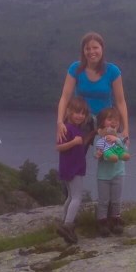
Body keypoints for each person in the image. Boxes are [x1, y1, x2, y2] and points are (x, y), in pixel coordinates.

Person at [56, 32, 129, 147]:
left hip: (105, 121)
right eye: (87, 49)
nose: (91, 52)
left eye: (95, 48)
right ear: (83, 51)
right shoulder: (75, 68)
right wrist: (60, 122)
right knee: (75, 153)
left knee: (109, 156)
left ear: (102, 49)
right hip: (81, 119)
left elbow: (120, 102)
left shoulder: (112, 71)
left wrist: (125, 130)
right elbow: (65, 97)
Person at [55, 97, 90, 244]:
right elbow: (59, 147)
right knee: (77, 197)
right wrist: (74, 142)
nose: (80, 116)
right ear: (69, 112)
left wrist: (91, 135)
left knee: (70, 196)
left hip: (73, 167)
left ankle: (65, 221)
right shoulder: (67, 128)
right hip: (72, 168)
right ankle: (68, 225)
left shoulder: (76, 129)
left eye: (83, 113)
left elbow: (79, 146)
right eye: (77, 112)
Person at [94, 107, 128, 236]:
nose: (114, 122)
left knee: (116, 200)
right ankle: (102, 222)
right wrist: (99, 153)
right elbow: (96, 154)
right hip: (103, 176)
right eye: (110, 119)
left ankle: (116, 220)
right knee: (103, 201)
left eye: (116, 120)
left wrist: (117, 140)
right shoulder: (98, 138)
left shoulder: (121, 137)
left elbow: (125, 151)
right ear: (102, 122)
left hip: (118, 173)